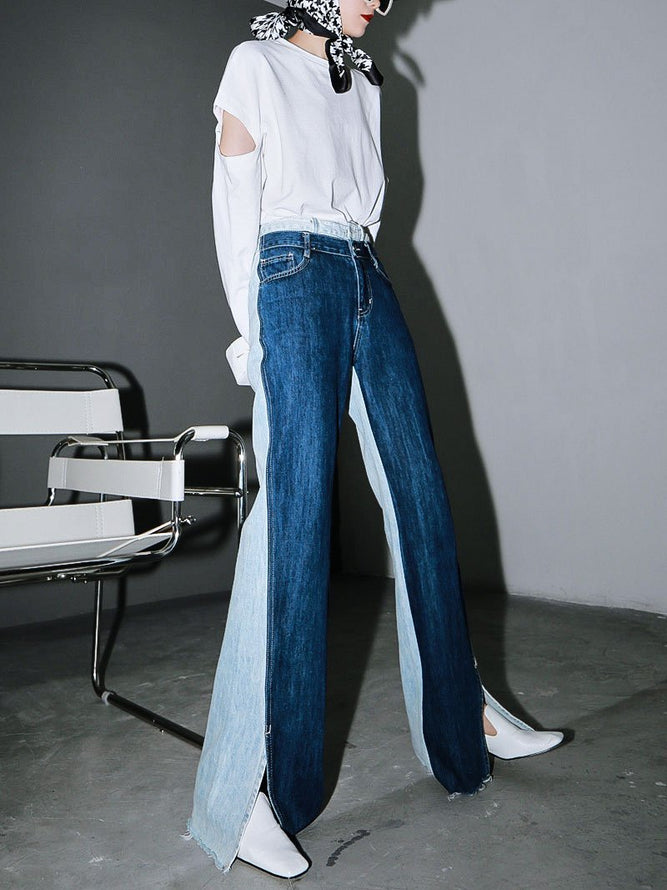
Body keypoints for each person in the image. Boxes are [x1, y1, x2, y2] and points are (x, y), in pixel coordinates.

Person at [187, 0, 563, 879]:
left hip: (363, 271)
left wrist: (359, 276)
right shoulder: (254, 64)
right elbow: (233, 207)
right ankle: (245, 791)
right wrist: (251, 337)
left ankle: (465, 713)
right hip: (288, 273)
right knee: (295, 519)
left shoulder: (364, 83)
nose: (385, 2)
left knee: (422, 498)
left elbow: (371, 209)